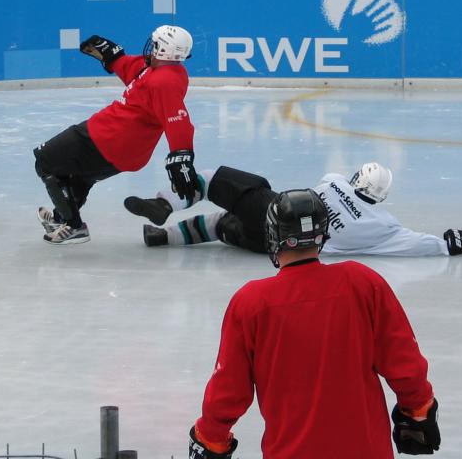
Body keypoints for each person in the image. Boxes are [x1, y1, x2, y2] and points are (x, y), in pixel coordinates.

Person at [188, 189, 441, 459]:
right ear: (323, 232)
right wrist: (417, 410)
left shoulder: (251, 303)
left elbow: (228, 390)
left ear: (273, 235)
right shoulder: (363, 283)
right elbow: (404, 363)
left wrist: (210, 437)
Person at [33, 25, 201, 245]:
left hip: (108, 137)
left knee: (46, 161)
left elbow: (177, 120)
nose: (151, 48)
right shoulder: (162, 71)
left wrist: (182, 157)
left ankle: (73, 226)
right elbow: (136, 72)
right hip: (125, 149)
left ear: (163, 50)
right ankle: (61, 218)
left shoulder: (164, 82)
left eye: (156, 44)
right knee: (82, 175)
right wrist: (114, 56)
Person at [126, 162, 462, 257]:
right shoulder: (383, 226)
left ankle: (164, 209)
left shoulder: (333, 180)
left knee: (216, 181)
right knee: (225, 225)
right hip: (278, 248)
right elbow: (419, 244)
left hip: (276, 211)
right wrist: (450, 243)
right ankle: (165, 237)